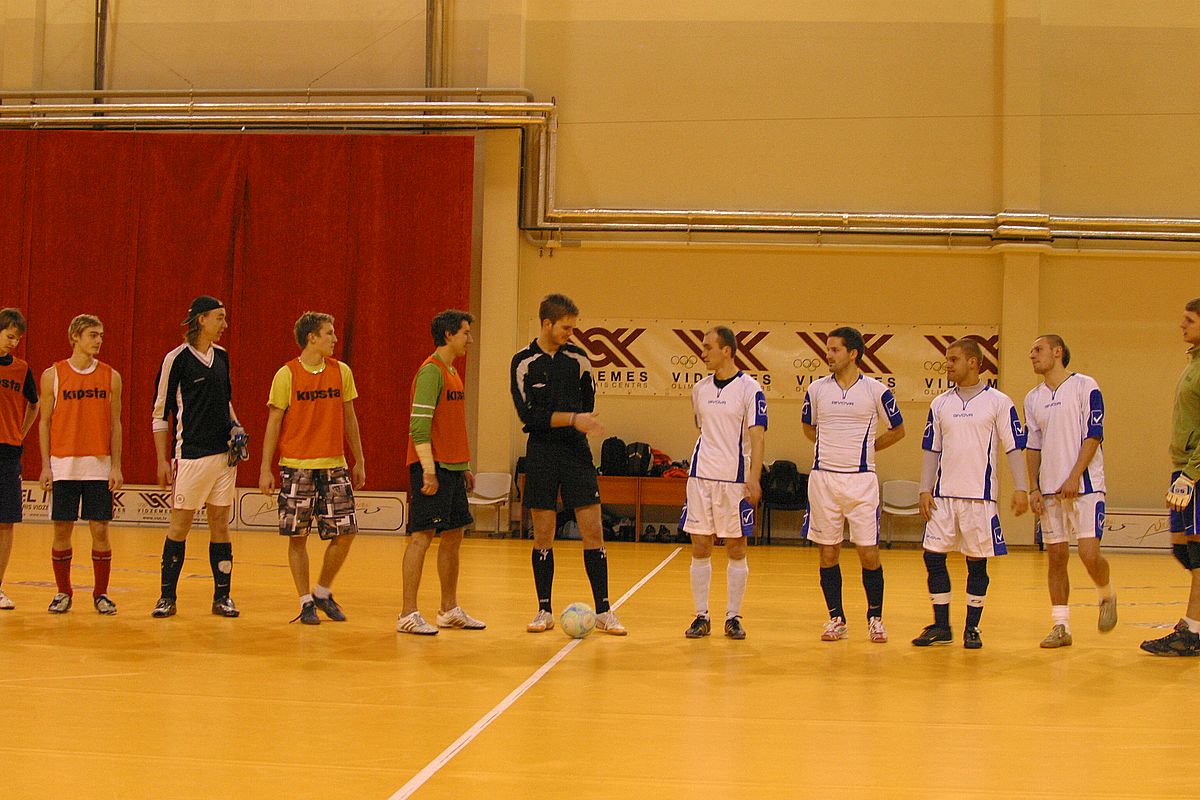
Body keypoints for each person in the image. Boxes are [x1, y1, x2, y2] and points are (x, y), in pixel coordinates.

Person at [510, 293, 625, 635]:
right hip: (541, 452)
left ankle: (604, 611)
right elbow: (529, 416)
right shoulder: (523, 362)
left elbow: (587, 404)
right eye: (565, 327)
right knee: (543, 533)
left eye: (573, 328)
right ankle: (543, 610)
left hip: (576, 452)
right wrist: (572, 418)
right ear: (547, 324)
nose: (570, 334)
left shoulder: (579, 359)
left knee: (593, 529)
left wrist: (577, 421)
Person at [913, 338, 1029, 650]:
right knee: (932, 556)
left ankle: (972, 628)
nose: (947, 365)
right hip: (943, 497)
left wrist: (1022, 487)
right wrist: (924, 488)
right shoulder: (940, 404)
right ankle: (941, 625)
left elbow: (1013, 447)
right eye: (947, 359)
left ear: (973, 362)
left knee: (976, 563)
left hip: (980, 497)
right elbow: (931, 449)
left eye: (953, 359)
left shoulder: (999, 402)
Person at [259, 312, 366, 625]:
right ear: (312, 338)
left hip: (334, 464)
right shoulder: (286, 374)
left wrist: (359, 458)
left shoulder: (341, 372)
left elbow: (349, 417)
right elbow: (274, 423)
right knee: (298, 536)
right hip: (296, 466)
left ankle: (322, 591)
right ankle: (305, 600)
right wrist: (265, 467)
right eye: (329, 333)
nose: (334, 338)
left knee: (346, 533)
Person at [801, 326, 904, 643]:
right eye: (827, 349)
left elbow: (898, 430)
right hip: (824, 479)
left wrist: (868, 448)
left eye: (835, 350)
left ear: (853, 353)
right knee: (828, 552)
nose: (828, 355)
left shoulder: (876, 391)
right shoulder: (816, 390)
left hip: (861, 481)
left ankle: (875, 618)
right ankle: (836, 618)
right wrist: (831, 446)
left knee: (868, 553)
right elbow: (808, 427)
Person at [150, 296, 247, 618]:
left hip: (224, 457)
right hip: (190, 455)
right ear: (201, 319)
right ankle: (167, 597)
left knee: (221, 524)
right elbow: (160, 413)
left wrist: (236, 426)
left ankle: (223, 597)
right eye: (220, 317)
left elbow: (226, 401)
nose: (225, 324)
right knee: (180, 525)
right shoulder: (176, 359)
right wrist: (162, 460)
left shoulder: (223, 357)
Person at [396, 309, 487, 635]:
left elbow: (451, 426)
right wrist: (428, 470)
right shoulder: (431, 372)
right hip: (432, 468)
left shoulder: (453, 373)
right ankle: (407, 613)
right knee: (421, 537)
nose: (470, 339)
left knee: (454, 536)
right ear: (449, 335)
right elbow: (419, 427)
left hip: (452, 468)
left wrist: (464, 467)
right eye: (465, 333)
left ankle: (448, 609)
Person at [1024, 334, 1116, 648]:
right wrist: (1033, 487)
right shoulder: (1032, 398)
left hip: (1086, 487)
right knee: (1056, 557)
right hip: (1050, 491)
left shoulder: (1085, 386)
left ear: (1057, 351)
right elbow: (1033, 446)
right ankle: (1061, 625)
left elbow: (1094, 435)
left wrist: (1075, 476)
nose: (1032, 355)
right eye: (1031, 351)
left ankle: (1106, 594)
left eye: (1038, 350)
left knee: (1089, 554)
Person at [680, 326, 766, 640]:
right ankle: (701, 616)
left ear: (726, 350)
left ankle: (733, 617)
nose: (702, 352)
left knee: (736, 547)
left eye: (708, 347)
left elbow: (757, 437)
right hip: (701, 477)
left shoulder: (750, 389)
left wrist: (753, 477)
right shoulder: (699, 389)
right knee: (700, 545)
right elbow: (701, 427)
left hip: (734, 480)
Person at [37, 315, 124, 614]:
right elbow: (44, 422)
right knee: (62, 530)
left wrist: (116, 466)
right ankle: (63, 592)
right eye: (92, 335)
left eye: (101, 335)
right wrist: (46, 465)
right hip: (63, 464)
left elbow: (115, 424)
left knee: (100, 530)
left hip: (99, 465)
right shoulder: (53, 375)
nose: (98, 340)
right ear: (75, 336)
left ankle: (101, 594)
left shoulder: (111, 376)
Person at [1142, 298, 1200, 656]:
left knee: (1198, 551)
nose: (1182, 325)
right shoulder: (1192, 363)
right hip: (1183, 467)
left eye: (1189, 320)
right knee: (1182, 547)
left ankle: (1192, 631)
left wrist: (1191, 474)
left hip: (1195, 471)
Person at [0, 308, 39, 610]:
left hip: (8, 452)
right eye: (9, 336)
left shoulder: (21, 368)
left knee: (6, 522)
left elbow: (34, 404)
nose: (13, 343)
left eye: (17, 339)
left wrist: (20, 432)